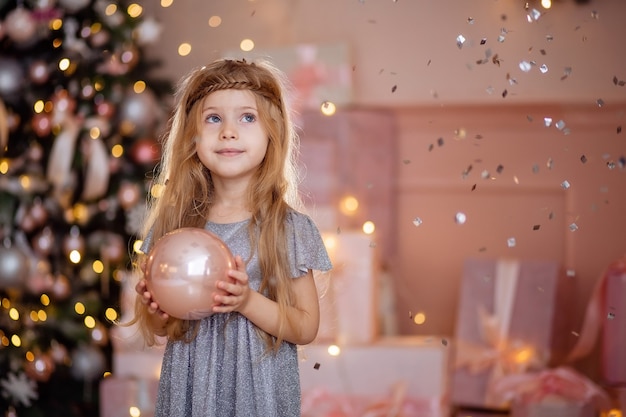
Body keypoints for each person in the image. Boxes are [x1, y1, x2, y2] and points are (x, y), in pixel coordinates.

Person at [131, 58, 332, 416]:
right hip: (191, 394)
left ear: (274, 132)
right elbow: (161, 329)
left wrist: (246, 302)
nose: (228, 131)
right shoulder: (175, 226)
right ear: (192, 137)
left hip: (258, 396)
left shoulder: (289, 228)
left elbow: (305, 327)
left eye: (247, 117)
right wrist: (158, 307)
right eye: (213, 118)